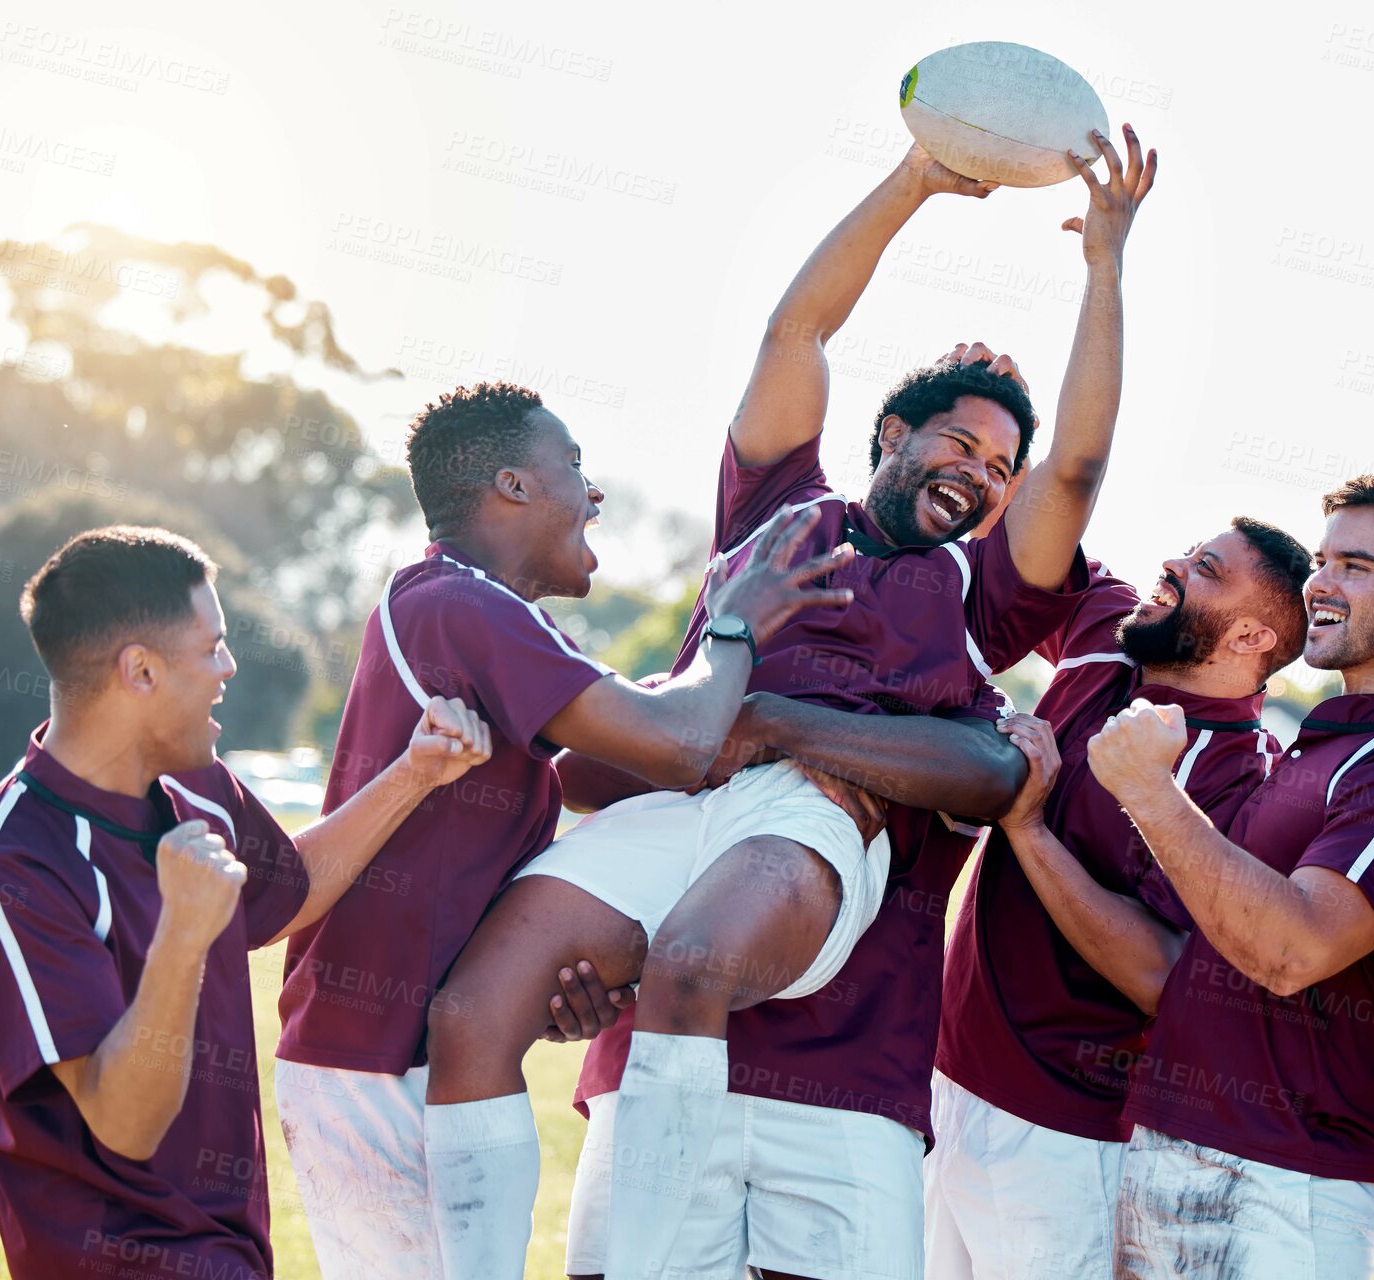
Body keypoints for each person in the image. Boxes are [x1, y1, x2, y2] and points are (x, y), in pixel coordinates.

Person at [494, 124, 1158, 1280]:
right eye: (959, 439)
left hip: (849, 1068)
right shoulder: (774, 509)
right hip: (659, 1044)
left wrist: (1101, 262)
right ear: (891, 435)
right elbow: (794, 330)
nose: (981, 472)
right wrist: (913, 181)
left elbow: (1078, 470)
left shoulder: (985, 593)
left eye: (999, 468)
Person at [273, 383, 855, 1278]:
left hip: (413, 1041)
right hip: (368, 1047)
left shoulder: (491, 615)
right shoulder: (457, 605)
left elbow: (601, 769)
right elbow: (678, 743)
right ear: (511, 485)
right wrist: (734, 620)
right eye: (573, 467)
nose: (593, 494)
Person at [0, 526, 492, 1280]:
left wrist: (415, 774)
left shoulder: (199, 788)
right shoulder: (15, 857)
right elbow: (123, 1123)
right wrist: (182, 937)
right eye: (211, 645)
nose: (229, 666)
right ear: (141, 672)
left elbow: (288, 893)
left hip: (231, 1255)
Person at [1085, 475, 1374, 1279]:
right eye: (1323, 560)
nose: (1320, 583)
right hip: (1173, 1148)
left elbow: (1294, 949)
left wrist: (1151, 794)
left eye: (1357, 567)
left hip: (1281, 1185)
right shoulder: (1328, 741)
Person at [926, 515, 1312, 1279]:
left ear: (1249, 637)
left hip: (1066, 1139)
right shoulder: (1111, 628)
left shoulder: (1245, 777)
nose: (1173, 562)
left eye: (1206, 568)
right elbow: (1039, 515)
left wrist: (1027, 825)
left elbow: (1158, 974)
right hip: (937, 1084)